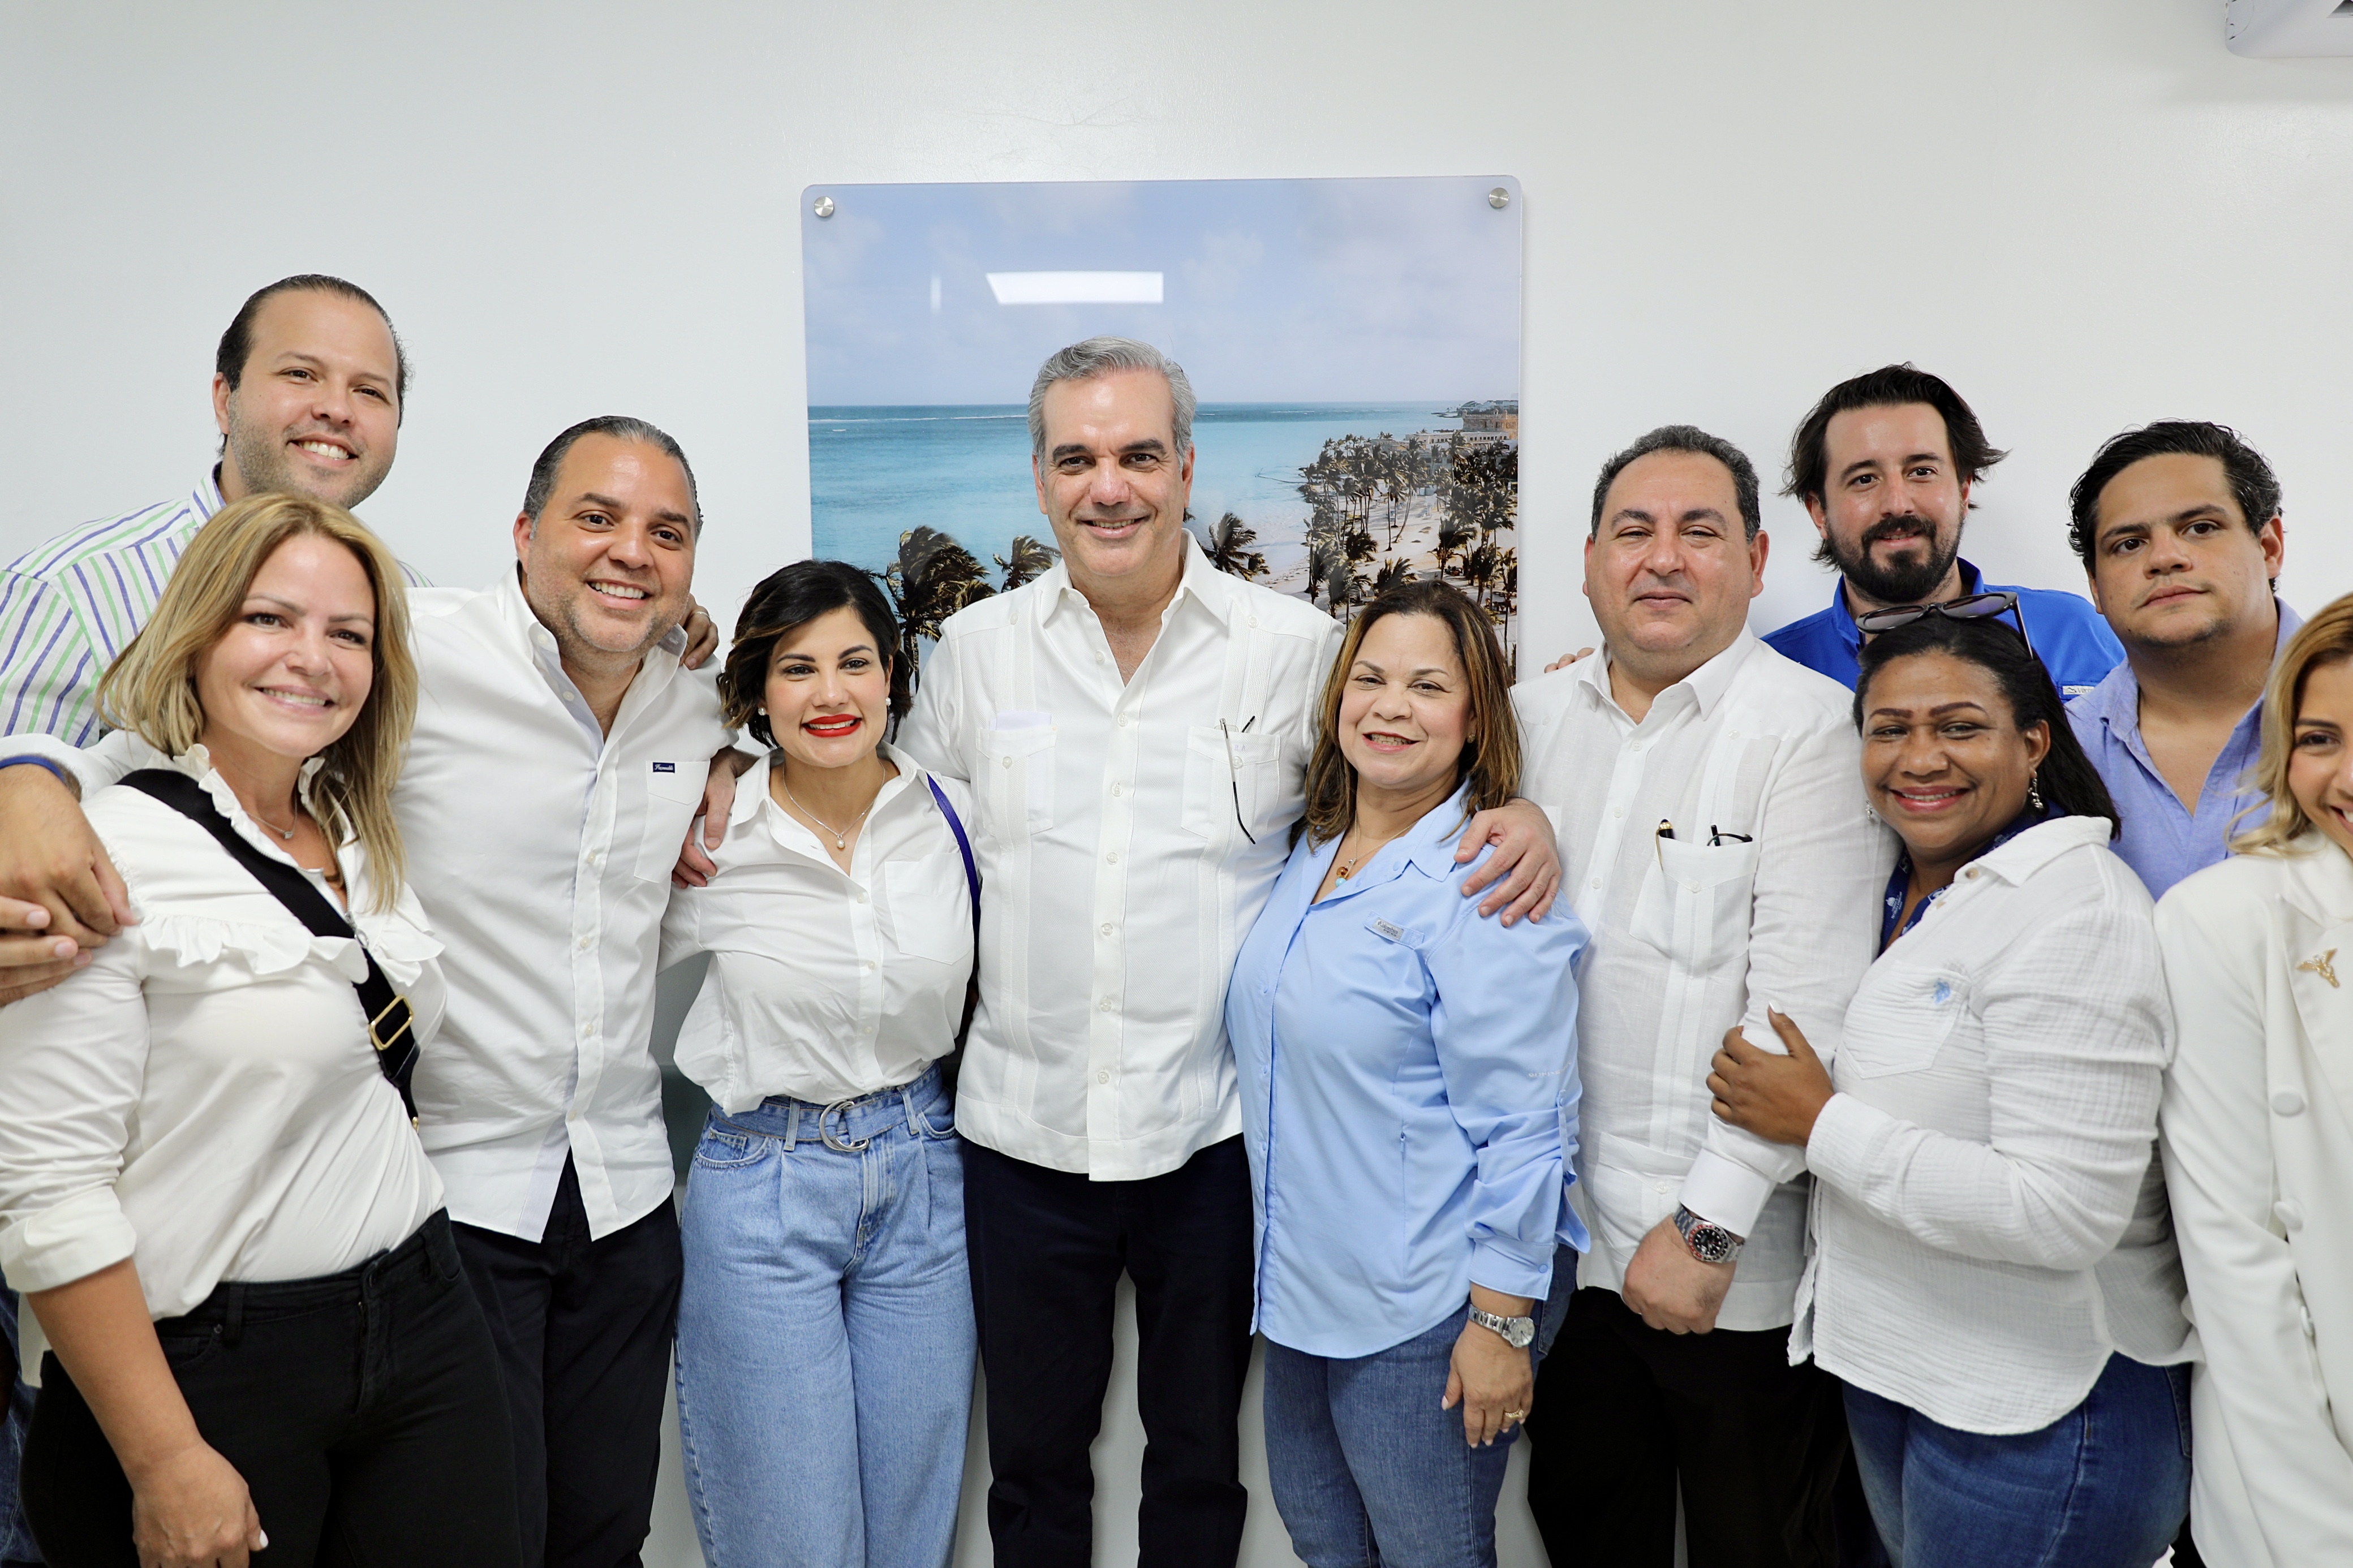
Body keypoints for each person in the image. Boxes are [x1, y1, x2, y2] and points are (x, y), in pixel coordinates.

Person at [0, 415, 733, 1567]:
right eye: (596, 518)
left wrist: (733, 762)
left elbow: (794, 712)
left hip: (619, 1192)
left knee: (603, 1534)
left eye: (666, 533)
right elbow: (174, 753)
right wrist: (29, 778)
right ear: (525, 532)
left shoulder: (695, 705)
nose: (630, 551)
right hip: (460, 1205)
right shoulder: (411, 647)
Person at [877, 337, 1561, 1568]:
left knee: (1199, 1464)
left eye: (1139, 455)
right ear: (1039, 478)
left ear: (1186, 469)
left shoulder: (1292, 649)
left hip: (1213, 1142)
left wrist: (1526, 813)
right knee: (1031, 1467)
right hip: (1020, 1135)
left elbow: (1406, 770)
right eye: (1076, 459)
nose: (1109, 486)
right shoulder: (976, 651)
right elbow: (894, 824)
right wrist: (727, 774)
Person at [0, 492, 519, 1566]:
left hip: (424, 1312)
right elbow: (47, 1194)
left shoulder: (352, 823)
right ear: (196, 634)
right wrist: (164, 1462)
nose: (311, 658)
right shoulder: (93, 854)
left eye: (348, 634)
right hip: (206, 1369)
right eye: (268, 619)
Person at [1709, 610, 2193, 1567]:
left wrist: (1818, 1123)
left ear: (2033, 743)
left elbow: (2058, 1212)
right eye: (1888, 729)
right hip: (1900, 1375)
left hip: (2039, 1412)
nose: (1919, 757)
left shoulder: (2073, 912)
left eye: (1959, 727)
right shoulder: (1902, 886)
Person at [1513, 425, 1890, 1568]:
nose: (1662, 558)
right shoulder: (1525, 724)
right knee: (1586, 1538)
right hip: (1556, 1257)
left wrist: (1705, 1228)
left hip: (1723, 1267)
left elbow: (1799, 1019)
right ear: (1589, 562)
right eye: (1633, 531)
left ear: (1756, 559)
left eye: (1699, 531)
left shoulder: (1810, 735)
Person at [1227, 579, 1585, 1568]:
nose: (1390, 707)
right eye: (1370, 679)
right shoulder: (1311, 848)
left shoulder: (1485, 880)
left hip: (1427, 1302)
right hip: (1301, 1290)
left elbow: (1529, 1123)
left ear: (1474, 719)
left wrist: (1499, 1323)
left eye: (1428, 686)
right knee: (1325, 1542)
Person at [658, 561, 975, 1568]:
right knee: (792, 1540)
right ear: (757, 691)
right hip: (764, 1186)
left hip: (925, 1176)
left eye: (854, 663)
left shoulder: (956, 816)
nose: (829, 693)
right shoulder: (708, 833)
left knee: (911, 1536)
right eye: (796, 669)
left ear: (892, 675)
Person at [2155, 595, 2353, 1566]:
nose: (2345, 777)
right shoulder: (2222, 922)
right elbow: (2234, 1261)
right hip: (2301, 1471)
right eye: (2318, 739)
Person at [1764, 364, 2120, 695]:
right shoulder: (1775, 671)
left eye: (1922, 472)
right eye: (1864, 479)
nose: (1897, 504)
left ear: (1963, 492)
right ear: (1820, 512)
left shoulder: (2074, 632)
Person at [2067, 420, 2296, 897]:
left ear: (2269, 547)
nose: (2165, 558)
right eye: (2129, 544)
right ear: (2095, 586)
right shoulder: (2057, 755)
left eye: (2200, 528)